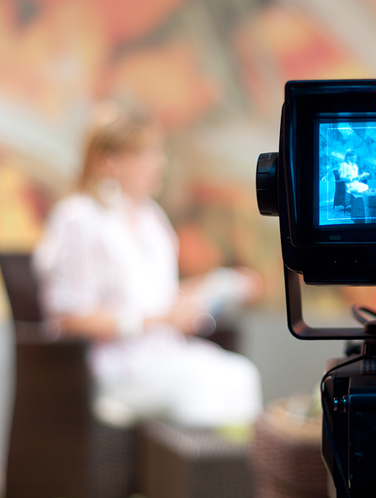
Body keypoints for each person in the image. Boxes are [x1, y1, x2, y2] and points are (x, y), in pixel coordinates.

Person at [33, 100, 264, 428]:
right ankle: (193, 474)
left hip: (161, 354)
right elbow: (69, 318)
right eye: (147, 153)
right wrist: (154, 320)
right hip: (106, 367)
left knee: (241, 375)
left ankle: (218, 474)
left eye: (160, 153)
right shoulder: (79, 218)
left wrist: (208, 291)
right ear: (108, 160)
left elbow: (156, 295)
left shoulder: (151, 218)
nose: (160, 164)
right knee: (203, 386)